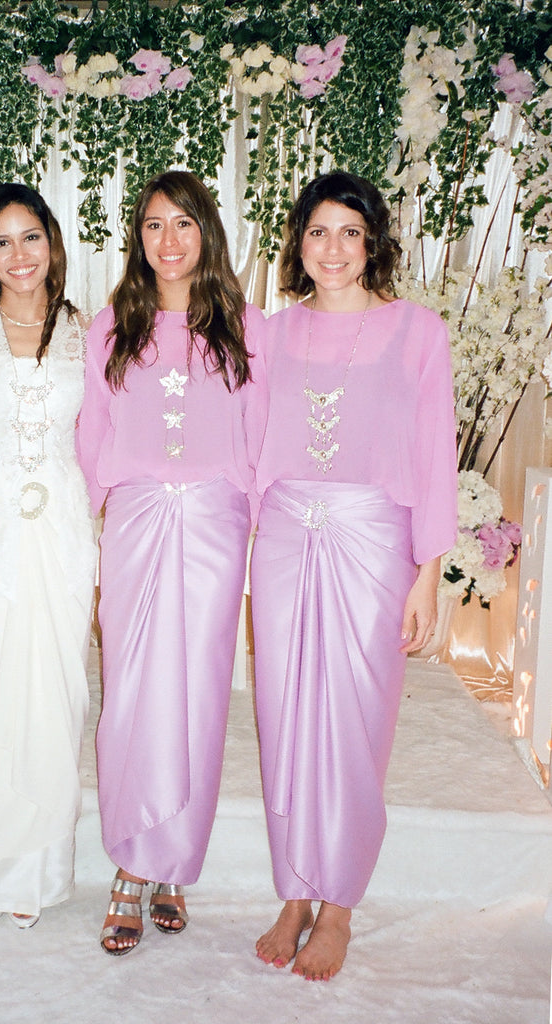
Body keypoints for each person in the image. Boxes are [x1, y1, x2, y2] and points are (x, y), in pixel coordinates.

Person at [250, 170, 458, 980]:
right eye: (316, 232)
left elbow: (435, 455)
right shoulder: (271, 332)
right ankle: (296, 891)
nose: (331, 249)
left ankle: (338, 905)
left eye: (347, 231)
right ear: (297, 242)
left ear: (372, 240)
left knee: (355, 724)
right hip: (285, 542)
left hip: (375, 544)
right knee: (285, 714)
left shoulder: (417, 333)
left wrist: (428, 571)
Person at [76, 170, 265, 955]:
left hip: (216, 531)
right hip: (136, 523)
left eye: (183, 223)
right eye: (153, 225)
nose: (169, 240)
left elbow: (260, 439)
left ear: (207, 233)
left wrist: (251, 535)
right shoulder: (111, 325)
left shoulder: (248, 328)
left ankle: (176, 862)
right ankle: (129, 862)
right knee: (132, 694)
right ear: (138, 238)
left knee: (197, 697)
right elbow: (92, 435)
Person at [0, 184, 97, 928]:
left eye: (30, 237)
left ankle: (43, 870)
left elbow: (102, 438)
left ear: (53, 243)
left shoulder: (87, 331)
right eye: (1, 242)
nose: (18, 255)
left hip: (62, 528)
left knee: (57, 693)